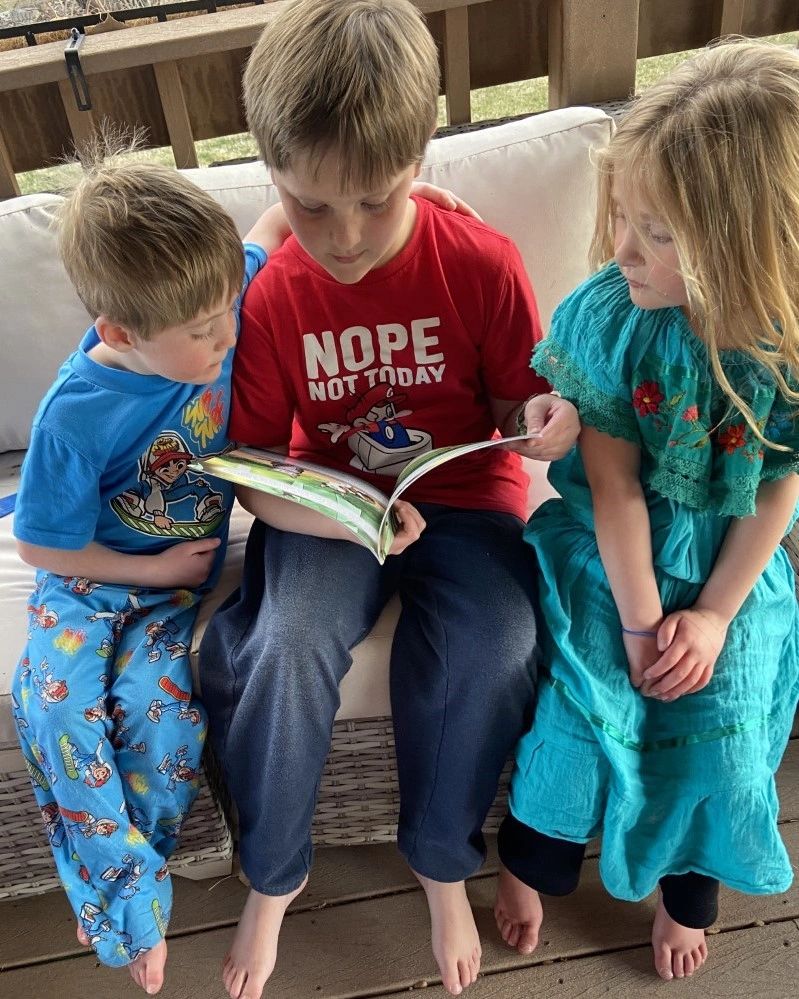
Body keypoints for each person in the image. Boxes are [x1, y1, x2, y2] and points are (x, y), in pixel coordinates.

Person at [198, 2, 580, 997]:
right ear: (272, 179)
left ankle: (439, 862)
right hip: (331, 503)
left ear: (419, 158)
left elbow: (512, 395)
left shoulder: (480, 261)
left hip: (464, 493)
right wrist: (333, 512)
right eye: (309, 206)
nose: (344, 236)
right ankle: (273, 879)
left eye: (372, 200)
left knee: (496, 643)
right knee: (279, 646)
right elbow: (251, 464)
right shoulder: (273, 290)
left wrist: (541, 412)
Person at [493, 39, 799, 984]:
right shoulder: (611, 317)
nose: (620, 248)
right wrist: (638, 621)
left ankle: (687, 892)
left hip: (731, 561)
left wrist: (709, 614)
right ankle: (531, 864)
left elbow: (780, 485)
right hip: (608, 551)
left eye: (656, 231)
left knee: (733, 709)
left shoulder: (781, 343)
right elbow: (614, 485)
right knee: (585, 707)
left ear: (748, 243)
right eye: (621, 215)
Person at [11, 156, 276, 995]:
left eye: (227, 310)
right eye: (205, 330)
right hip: (87, 581)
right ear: (121, 331)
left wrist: (411, 195)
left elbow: (272, 230)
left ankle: (137, 893)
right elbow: (41, 549)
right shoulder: (74, 414)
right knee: (56, 709)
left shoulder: (211, 295)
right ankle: (133, 913)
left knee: (162, 727)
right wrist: (150, 562)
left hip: (172, 594)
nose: (228, 337)